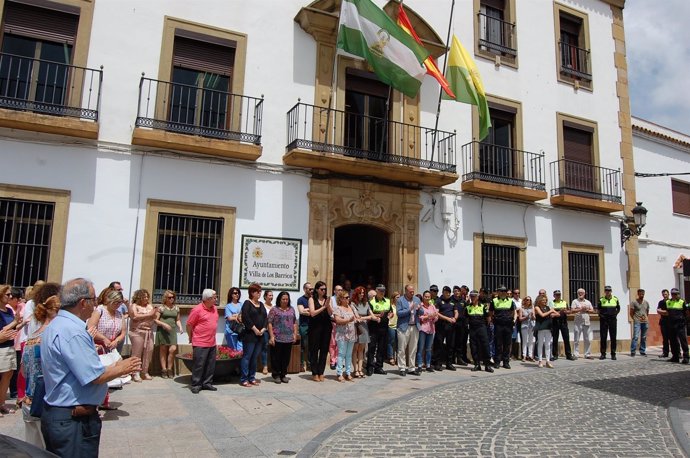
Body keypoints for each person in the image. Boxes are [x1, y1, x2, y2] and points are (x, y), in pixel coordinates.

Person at [40, 278, 141, 457]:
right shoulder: (73, 331)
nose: (96, 304)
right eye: (94, 299)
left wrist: (113, 365)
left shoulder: (58, 325)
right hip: (72, 420)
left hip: (64, 416)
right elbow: (93, 376)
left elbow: (77, 367)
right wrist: (123, 367)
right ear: (83, 303)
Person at [20, 292, 60, 448]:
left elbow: (24, 371)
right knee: (46, 449)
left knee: (32, 448)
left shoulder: (31, 338)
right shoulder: (51, 336)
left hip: (28, 401)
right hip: (44, 401)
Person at [87, 288, 127, 411]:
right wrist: (103, 339)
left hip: (111, 347)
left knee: (109, 376)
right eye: (116, 302)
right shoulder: (99, 310)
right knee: (99, 375)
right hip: (97, 346)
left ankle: (104, 401)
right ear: (109, 300)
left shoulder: (119, 314)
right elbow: (91, 328)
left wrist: (116, 341)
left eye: (120, 303)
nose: (118, 305)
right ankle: (94, 402)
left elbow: (123, 332)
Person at [186, 289, 219, 393]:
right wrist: (190, 337)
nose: (216, 299)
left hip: (212, 342)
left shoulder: (214, 309)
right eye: (214, 297)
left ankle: (207, 383)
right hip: (200, 342)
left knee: (210, 365)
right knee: (199, 365)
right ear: (208, 299)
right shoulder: (197, 310)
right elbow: (189, 325)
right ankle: (196, 384)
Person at [0, 284, 22, 415]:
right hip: (1, 347)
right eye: (7, 294)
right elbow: (3, 330)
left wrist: (19, 323)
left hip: (9, 346)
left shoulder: (8, 311)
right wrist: (14, 322)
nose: (10, 296)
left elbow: (11, 329)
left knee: (7, 376)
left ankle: (1, 403)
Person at [240, 283, 268, 387]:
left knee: (255, 357)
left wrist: (264, 328)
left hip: (260, 335)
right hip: (250, 335)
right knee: (247, 356)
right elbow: (246, 317)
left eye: (260, 291)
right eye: (258, 292)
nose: (259, 293)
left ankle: (252, 377)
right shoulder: (247, 303)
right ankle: (244, 378)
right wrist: (255, 329)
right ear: (252, 293)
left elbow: (266, 318)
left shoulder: (261, 304)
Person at [267, 291, 297, 384]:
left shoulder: (291, 309)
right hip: (277, 337)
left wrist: (295, 334)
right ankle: (276, 375)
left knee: (286, 358)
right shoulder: (274, 309)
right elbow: (269, 323)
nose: (285, 301)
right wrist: (271, 336)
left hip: (288, 338)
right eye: (283, 299)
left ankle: (283, 374)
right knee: (276, 357)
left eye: (287, 299)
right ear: (279, 300)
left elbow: (294, 322)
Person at [128, 289, 156, 381]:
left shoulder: (149, 306)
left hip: (148, 331)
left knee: (149, 351)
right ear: (139, 297)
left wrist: (145, 315)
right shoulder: (134, 306)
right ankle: (135, 372)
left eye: (147, 296)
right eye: (144, 297)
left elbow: (154, 316)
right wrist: (149, 314)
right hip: (137, 332)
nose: (146, 298)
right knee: (137, 352)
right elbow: (134, 316)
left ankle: (145, 371)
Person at [155, 290, 182, 378]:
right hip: (162, 331)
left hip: (172, 331)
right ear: (165, 298)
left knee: (172, 349)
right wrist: (164, 324)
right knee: (163, 350)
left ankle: (170, 368)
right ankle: (164, 369)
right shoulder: (161, 308)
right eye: (169, 297)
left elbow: (177, 320)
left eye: (173, 297)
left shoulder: (177, 308)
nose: (171, 299)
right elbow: (156, 320)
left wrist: (180, 327)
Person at [308, 281, 332, 382]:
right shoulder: (311, 299)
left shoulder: (327, 300)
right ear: (317, 290)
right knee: (314, 350)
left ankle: (321, 372)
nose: (324, 291)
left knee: (324, 350)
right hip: (315, 327)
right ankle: (314, 372)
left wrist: (328, 306)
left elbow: (331, 313)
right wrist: (323, 307)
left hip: (326, 327)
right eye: (322, 289)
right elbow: (312, 313)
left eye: (325, 289)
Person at [396, 284, 422, 376]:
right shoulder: (400, 300)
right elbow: (398, 313)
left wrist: (419, 309)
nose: (412, 293)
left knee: (413, 348)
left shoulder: (417, 299)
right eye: (410, 292)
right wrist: (409, 309)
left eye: (413, 291)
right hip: (403, 327)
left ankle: (411, 368)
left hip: (415, 326)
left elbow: (421, 312)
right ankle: (402, 367)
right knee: (402, 348)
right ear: (406, 291)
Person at [658, 288, 689, 364]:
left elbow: (687, 312)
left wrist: (685, 321)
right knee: (673, 341)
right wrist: (660, 311)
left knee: (683, 341)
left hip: (680, 324)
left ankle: (686, 357)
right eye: (673, 294)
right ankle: (675, 357)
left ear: (678, 294)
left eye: (676, 294)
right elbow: (666, 312)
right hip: (671, 324)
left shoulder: (682, 302)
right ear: (671, 294)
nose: (675, 295)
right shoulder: (668, 302)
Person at [367, 284, 392, 376]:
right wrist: (378, 315)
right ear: (376, 291)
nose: (382, 292)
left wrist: (390, 315)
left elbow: (390, 312)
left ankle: (379, 367)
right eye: (380, 290)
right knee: (372, 347)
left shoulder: (388, 301)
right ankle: (369, 367)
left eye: (384, 290)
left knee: (382, 347)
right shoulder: (371, 301)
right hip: (374, 327)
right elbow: (369, 313)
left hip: (384, 327)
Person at [465, 290, 493, 373]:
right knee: (474, 346)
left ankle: (487, 365)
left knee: (485, 346)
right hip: (472, 329)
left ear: (477, 297)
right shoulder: (468, 307)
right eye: (471, 296)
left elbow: (488, 318)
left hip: (482, 328)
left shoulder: (483, 306)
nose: (473, 298)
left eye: (474, 296)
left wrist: (486, 327)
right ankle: (477, 364)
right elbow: (466, 318)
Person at [489, 285, 516, 369]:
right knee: (498, 344)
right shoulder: (494, 301)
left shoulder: (511, 301)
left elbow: (513, 311)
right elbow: (490, 312)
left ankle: (506, 362)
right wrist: (493, 320)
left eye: (504, 291)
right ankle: (497, 362)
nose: (503, 292)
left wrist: (510, 319)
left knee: (507, 344)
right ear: (498, 292)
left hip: (508, 325)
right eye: (501, 291)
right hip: (498, 325)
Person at [431, 286, 457, 371]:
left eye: (449, 292)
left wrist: (454, 318)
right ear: (443, 292)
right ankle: (437, 363)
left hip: (451, 326)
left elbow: (456, 311)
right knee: (439, 344)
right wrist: (447, 318)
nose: (448, 294)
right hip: (441, 325)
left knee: (451, 345)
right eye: (446, 292)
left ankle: (449, 363)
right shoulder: (438, 301)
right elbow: (436, 313)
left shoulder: (452, 301)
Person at [333, 290, 357, 382]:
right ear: (341, 299)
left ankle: (348, 372)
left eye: (348, 297)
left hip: (351, 334)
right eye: (346, 297)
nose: (348, 299)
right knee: (341, 354)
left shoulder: (351, 307)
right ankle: (339, 373)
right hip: (342, 334)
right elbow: (337, 320)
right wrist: (348, 320)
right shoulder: (338, 308)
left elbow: (357, 317)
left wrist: (374, 316)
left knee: (349, 354)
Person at [351, 286, 373, 378]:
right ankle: (355, 369)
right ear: (356, 294)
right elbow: (355, 315)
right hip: (356, 327)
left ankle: (360, 369)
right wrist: (365, 317)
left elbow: (371, 315)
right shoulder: (353, 303)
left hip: (364, 327)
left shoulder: (366, 303)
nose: (362, 294)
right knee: (355, 349)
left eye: (363, 293)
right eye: (360, 293)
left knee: (361, 350)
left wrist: (363, 317)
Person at [535, 295, 559, 368]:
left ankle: (548, 361)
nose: (544, 301)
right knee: (540, 344)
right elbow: (542, 315)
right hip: (541, 328)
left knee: (548, 344)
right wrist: (550, 312)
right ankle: (540, 360)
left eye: (545, 300)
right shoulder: (537, 307)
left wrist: (553, 314)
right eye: (543, 300)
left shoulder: (548, 308)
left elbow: (557, 314)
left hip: (548, 328)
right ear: (539, 301)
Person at [416, 291, 438, 372]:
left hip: (431, 329)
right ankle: (419, 365)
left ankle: (428, 365)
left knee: (428, 349)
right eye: (426, 296)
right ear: (423, 297)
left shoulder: (432, 306)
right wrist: (428, 316)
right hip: (423, 329)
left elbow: (436, 317)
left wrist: (434, 317)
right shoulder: (420, 306)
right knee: (421, 348)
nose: (427, 298)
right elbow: (419, 317)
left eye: (429, 297)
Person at [551, 290, 575, 361]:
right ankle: (555, 355)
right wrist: (560, 311)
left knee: (566, 339)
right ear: (554, 295)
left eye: (559, 294)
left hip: (563, 322)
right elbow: (551, 313)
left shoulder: (564, 302)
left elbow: (568, 311)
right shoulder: (551, 303)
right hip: (555, 322)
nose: (558, 296)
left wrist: (567, 311)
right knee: (555, 339)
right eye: (556, 295)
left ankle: (568, 355)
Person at [9, 287, 24, 402]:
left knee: (13, 370)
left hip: (16, 342)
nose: (19, 300)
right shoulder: (8, 309)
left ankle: (13, 390)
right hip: (7, 342)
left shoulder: (20, 307)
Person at [598, 286, 620, 360]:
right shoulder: (601, 299)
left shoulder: (615, 299)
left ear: (611, 291)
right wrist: (602, 316)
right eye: (606, 290)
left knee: (613, 337)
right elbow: (598, 309)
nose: (608, 292)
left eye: (609, 290)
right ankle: (603, 354)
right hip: (604, 320)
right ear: (605, 291)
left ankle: (613, 354)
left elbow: (618, 308)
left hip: (612, 320)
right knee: (603, 337)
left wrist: (615, 314)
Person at [571, 288, 594, 359]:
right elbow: (572, 310)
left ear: (584, 294)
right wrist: (580, 309)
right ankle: (576, 354)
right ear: (577, 294)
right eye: (579, 293)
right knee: (576, 339)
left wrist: (586, 310)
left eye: (582, 293)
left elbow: (592, 310)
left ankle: (587, 354)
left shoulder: (588, 302)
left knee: (587, 339)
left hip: (586, 321)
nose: (580, 294)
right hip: (578, 322)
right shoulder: (575, 301)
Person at [452, 285, 470, 366]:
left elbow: (467, 312)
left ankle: (459, 358)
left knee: (460, 342)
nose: (457, 292)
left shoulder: (463, 301)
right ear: (453, 292)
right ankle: (451, 359)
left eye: (458, 291)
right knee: (452, 341)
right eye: (455, 291)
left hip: (461, 324)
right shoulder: (450, 300)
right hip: (452, 323)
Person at [296, 282, 312, 372]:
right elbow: (301, 311)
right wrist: (310, 310)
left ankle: (310, 364)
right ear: (305, 289)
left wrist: (307, 310)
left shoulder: (314, 299)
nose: (311, 290)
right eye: (309, 289)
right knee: (303, 345)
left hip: (313, 325)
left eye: (312, 289)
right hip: (304, 325)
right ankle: (301, 364)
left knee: (311, 345)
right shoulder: (300, 299)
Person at [629, 288, 649, 357]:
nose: (642, 295)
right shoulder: (634, 302)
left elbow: (647, 312)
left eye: (643, 294)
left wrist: (645, 318)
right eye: (640, 294)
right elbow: (631, 312)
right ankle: (633, 351)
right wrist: (634, 319)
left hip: (645, 322)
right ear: (638, 294)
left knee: (643, 337)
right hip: (637, 321)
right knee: (636, 336)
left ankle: (642, 350)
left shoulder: (646, 302)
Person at [224, 287, 243, 351]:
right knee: (233, 350)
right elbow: (229, 318)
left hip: (241, 331)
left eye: (238, 293)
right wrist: (238, 315)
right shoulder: (228, 306)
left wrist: (235, 315)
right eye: (235, 293)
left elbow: (244, 315)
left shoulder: (241, 304)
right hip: (231, 331)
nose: (237, 294)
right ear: (231, 295)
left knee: (241, 349)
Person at [328, 285, 342, 370]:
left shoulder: (343, 299)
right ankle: (332, 361)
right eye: (338, 290)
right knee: (333, 343)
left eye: (341, 290)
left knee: (340, 343)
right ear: (334, 291)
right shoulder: (331, 299)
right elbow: (331, 311)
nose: (340, 291)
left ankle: (338, 361)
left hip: (342, 324)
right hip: (333, 322)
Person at [518, 296, 535, 361]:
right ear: (524, 301)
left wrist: (533, 316)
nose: (528, 301)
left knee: (531, 341)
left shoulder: (532, 307)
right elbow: (520, 319)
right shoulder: (521, 308)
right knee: (525, 341)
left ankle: (530, 355)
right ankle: (524, 355)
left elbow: (534, 318)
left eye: (529, 300)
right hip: (524, 326)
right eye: (527, 300)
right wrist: (526, 317)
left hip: (531, 325)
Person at [260, 290, 274, 375]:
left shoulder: (274, 307)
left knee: (273, 347)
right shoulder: (262, 306)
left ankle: (273, 366)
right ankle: (265, 366)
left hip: (273, 330)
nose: (271, 297)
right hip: (265, 329)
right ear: (265, 296)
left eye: (272, 295)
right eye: (269, 295)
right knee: (264, 347)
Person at [386, 291, 399, 367]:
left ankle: (397, 357)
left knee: (398, 342)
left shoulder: (400, 306)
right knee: (391, 341)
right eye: (397, 297)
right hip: (391, 325)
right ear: (393, 298)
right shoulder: (390, 306)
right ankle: (391, 357)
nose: (399, 299)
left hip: (399, 326)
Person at [657, 289, 670, 358]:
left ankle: (677, 353)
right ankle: (665, 353)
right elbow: (658, 310)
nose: (664, 295)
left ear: (668, 294)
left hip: (671, 322)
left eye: (666, 294)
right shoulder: (661, 302)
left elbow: (669, 312)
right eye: (663, 294)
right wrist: (664, 312)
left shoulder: (671, 302)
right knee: (665, 339)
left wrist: (662, 311)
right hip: (663, 322)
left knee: (673, 338)